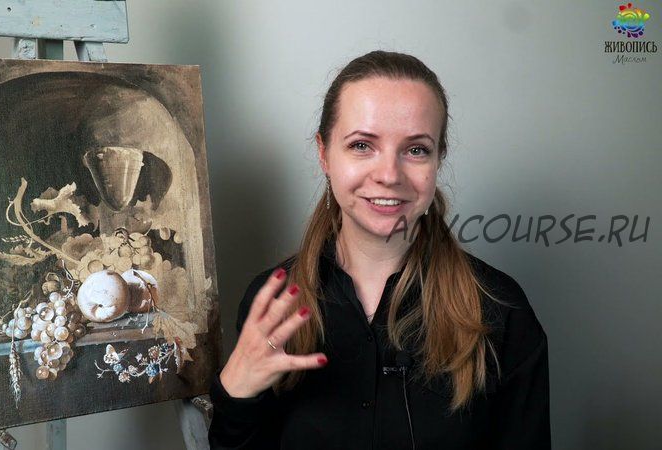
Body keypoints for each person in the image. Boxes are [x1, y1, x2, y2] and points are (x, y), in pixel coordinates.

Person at [208, 50, 550, 449]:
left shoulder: (503, 311)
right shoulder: (272, 304)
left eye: (416, 149)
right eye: (361, 145)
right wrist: (235, 392)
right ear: (324, 153)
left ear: (439, 158)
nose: (389, 175)